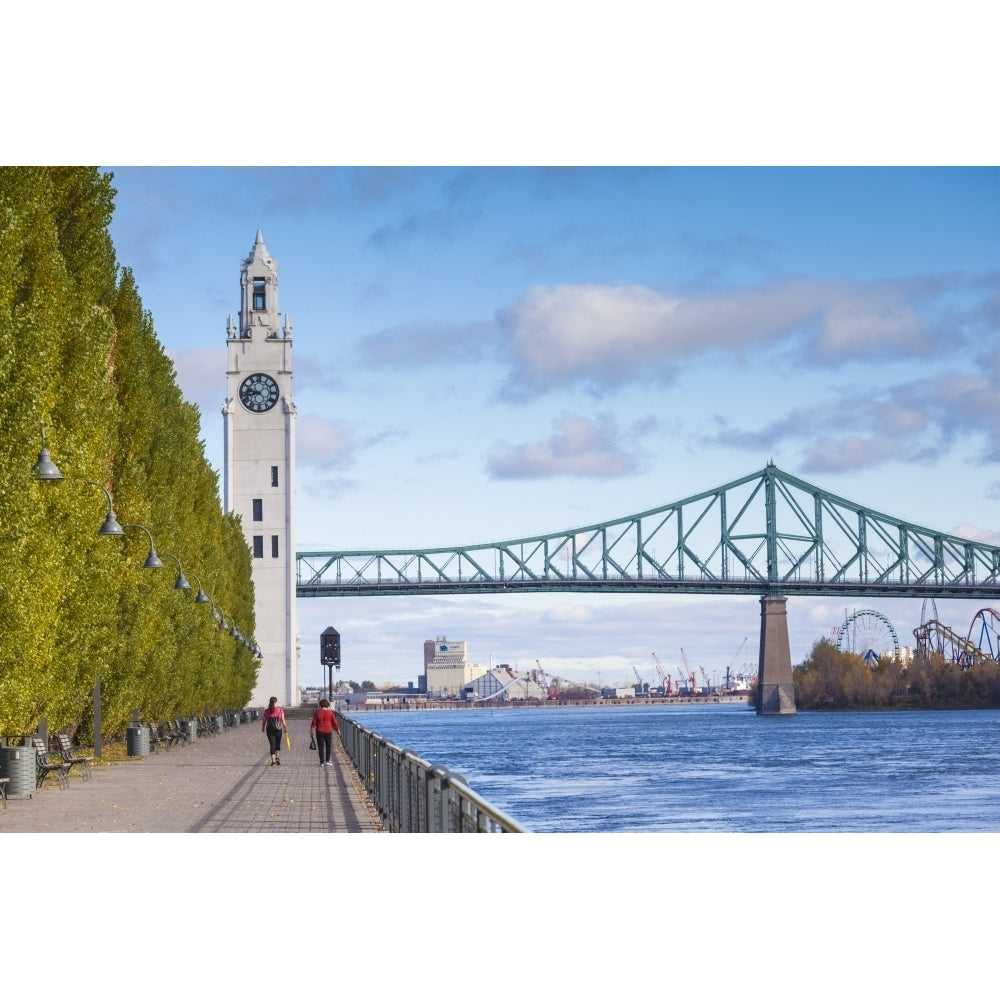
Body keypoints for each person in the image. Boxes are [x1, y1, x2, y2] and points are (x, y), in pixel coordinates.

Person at [310, 698, 340, 766]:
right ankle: (327, 761)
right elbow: (335, 722)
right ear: (327, 705)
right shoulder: (330, 713)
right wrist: (338, 729)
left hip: (319, 731)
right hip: (328, 731)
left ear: (320, 705)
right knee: (328, 746)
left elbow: (314, 722)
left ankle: (321, 762)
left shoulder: (317, 712)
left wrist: (311, 730)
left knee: (321, 747)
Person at [262, 696, 286, 765]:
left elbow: (264, 721)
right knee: (278, 744)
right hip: (278, 730)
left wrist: (263, 727)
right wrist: (285, 729)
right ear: (276, 702)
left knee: (272, 745)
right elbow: (283, 720)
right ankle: (277, 758)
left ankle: (273, 760)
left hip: (270, 730)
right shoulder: (280, 710)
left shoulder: (267, 711)